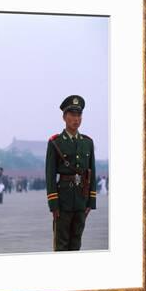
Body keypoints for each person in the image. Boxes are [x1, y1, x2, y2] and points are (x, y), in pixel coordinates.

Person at [45, 95, 97, 251]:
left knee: (76, 243)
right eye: (72, 115)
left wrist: (90, 202)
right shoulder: (55, 142)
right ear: (64, 117)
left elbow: (91, 172)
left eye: (79, 115)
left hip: (81, 200)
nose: (76, 119)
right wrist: (53, 204)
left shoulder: (87, 142)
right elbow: (50, 175)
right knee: (61, 244)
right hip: (63, 201)